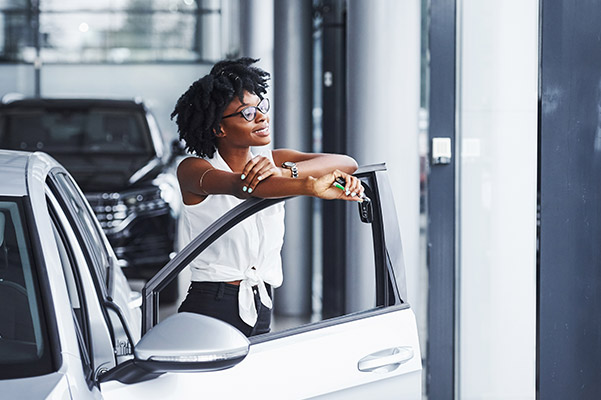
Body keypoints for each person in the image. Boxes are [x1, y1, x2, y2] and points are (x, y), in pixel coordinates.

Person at [171, 57, 364, 337]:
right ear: (218, 128)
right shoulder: (195, 169)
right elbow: (245, 187)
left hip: (261, 301)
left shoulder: (276, 161)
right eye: (247, 113)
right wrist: (308, 186)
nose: (262, 116)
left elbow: (347, 162)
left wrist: (287, 172)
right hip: (212, 305)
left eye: (262, 107)